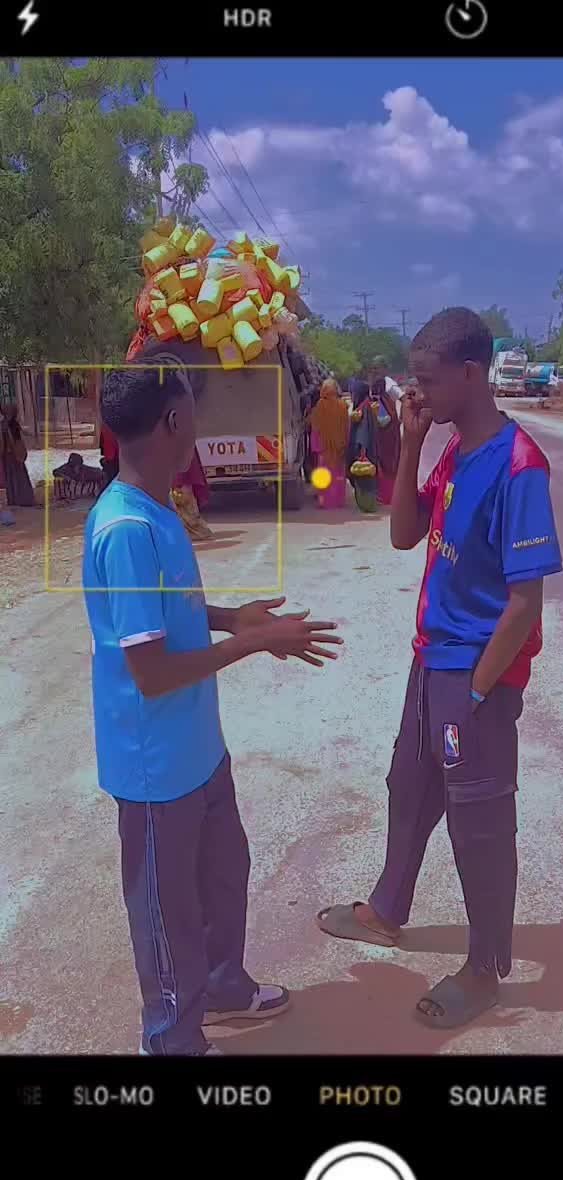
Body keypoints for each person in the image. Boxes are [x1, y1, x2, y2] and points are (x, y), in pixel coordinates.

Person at [83, 351, 343, 1055]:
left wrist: (232, 619)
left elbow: (168, 618)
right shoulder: (127, 530)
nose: (198, 421)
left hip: (198, 748)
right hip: (155, 766)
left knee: (225, 875)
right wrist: (257, 643)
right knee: (167, 911)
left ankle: (225, 986)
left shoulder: (158, 509)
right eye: (193, 409)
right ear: (174, 420)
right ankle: (170, 1036)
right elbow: (151, 671)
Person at [317, 308, 563, 1029]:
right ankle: (386, 910)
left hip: (475, 675)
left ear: (471, 374)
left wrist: (479, 691)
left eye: (426, 380)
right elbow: (403, 534)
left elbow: (524, 602)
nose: (414, 392)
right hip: (431, 660)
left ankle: (484, 969)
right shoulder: (454, 447)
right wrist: (413, 441)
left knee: (478, 821)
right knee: (410, 783)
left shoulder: (519, 466)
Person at [309, 378, 349, 509]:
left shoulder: (320, 406)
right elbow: (347, 427)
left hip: (324, 448)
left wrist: (316, 447)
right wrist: (345, 443)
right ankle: (338, 500)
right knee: (338, 474)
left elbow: (315, 428)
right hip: (339, 447)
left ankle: (325, 501)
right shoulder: (342, 406)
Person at [347, 379, 379, 514]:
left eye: (353, 393)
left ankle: (366, 504)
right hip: (366, 447)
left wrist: (362, 451)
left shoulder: (363, 408)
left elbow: (363, 431)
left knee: (363, 478)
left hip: (363, 450)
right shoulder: (366, 404)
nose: (352, 396)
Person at [370, 376, 401, 505]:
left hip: (385, 439)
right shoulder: (389, 399)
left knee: (386, 466)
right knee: (392, 465)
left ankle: (386, 496)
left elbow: (383, 421)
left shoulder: (380, 401)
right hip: (393, 437)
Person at [0, 404, 34, 507]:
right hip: (15, 454)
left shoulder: (6, 425)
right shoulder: (13, 424)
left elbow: (9, 441)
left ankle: (16, 499)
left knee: (13, 478)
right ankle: (21, 498)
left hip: (11, 454)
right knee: (18, 477)